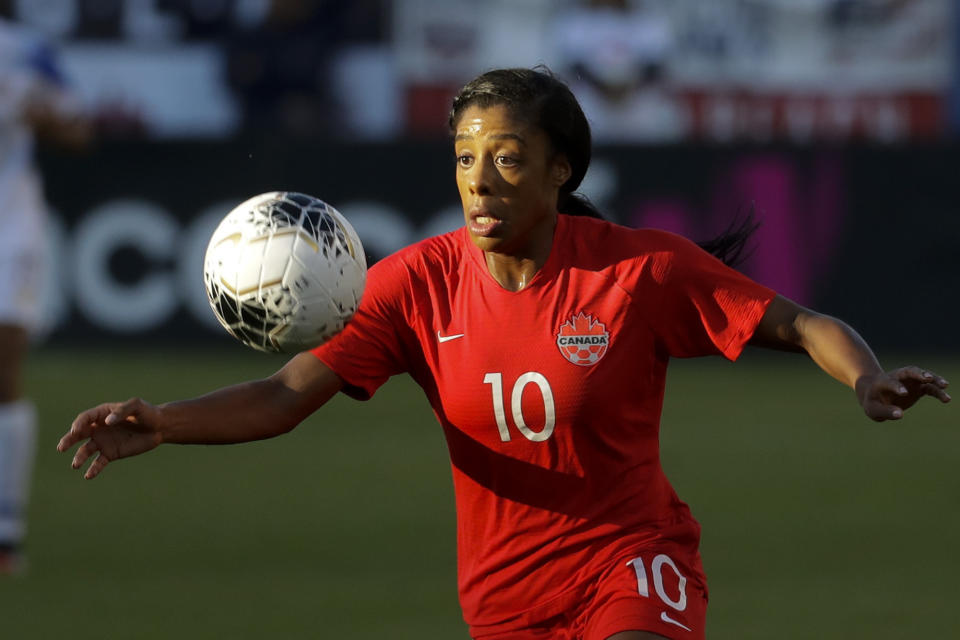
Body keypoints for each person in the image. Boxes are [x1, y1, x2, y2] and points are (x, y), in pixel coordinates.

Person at [58, 68, 949, 639]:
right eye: (465, 158)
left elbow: (798, 323)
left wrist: (865, 376)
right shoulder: (415, 283)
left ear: (562, 170)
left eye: (509, 159)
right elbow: (285, 395)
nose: (480, 180)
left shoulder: (637, 271)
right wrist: (163, 422)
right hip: (503, 599)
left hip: (632, 561)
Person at [0, 15, 89, 575]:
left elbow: (78, 129)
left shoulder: (23, 51)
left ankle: (6, 528)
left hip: (9, 228)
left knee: (2, 371)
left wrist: (46, 118)